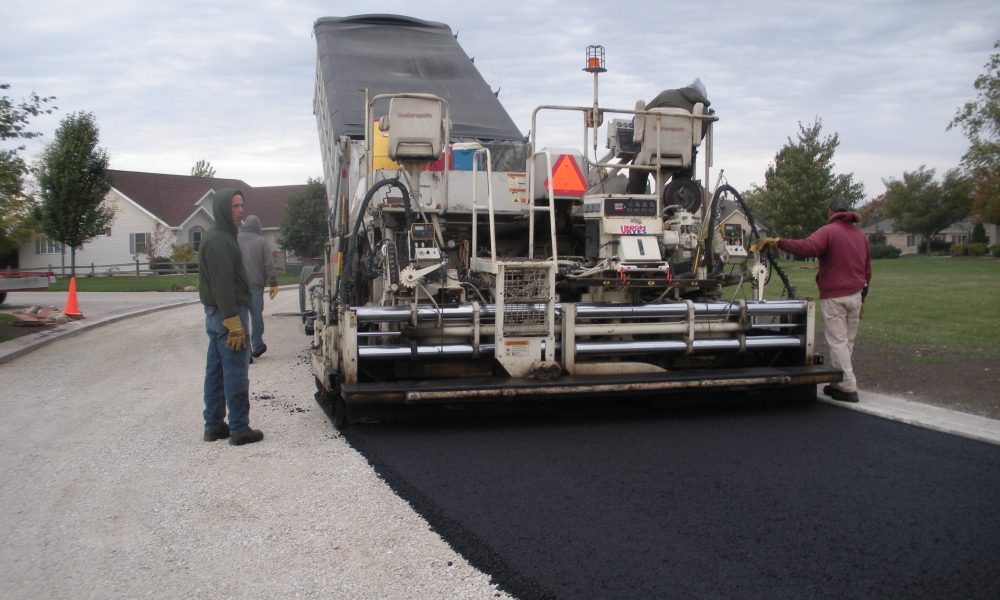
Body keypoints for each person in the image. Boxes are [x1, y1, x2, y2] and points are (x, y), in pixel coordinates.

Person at [758, 198, 872, 403]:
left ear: (831, 212)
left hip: (835, 295)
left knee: (838, 340)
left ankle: (847, 385)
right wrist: (863, 298)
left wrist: (779, 242)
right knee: (847, 341)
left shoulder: (829, 231)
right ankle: (840, 380)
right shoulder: (861, 236)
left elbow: (807, 248)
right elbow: (867, 270)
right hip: (856, 294)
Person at [198, 189, 264, 445]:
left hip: (217, 316)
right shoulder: (219, 241)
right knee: (236, 371)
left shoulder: (222, 236)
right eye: (235, 206)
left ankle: (214, 425)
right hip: (228, 314)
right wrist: (233, 321)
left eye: (241, 205)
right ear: (223, 208)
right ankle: (239, 428)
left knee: (215, 372)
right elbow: (222, 285)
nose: (240, 210)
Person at [626, 78, 712, 194]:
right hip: (682, 158)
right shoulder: (702, 110)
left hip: (650, 154)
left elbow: (640, 118)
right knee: (691, 156)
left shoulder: (666, 95)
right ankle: (677, 198)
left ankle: (634, 198)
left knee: (638, 162)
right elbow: (697, 139)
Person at [238, 215, 279, 359]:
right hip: (256, 287)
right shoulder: (262, 242)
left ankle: (246, 352)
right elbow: (269, 265)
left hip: (239, 288)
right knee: (256, 317)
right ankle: (257, 345)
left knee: (242, 319)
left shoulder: (235, 240)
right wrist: (273, 283)